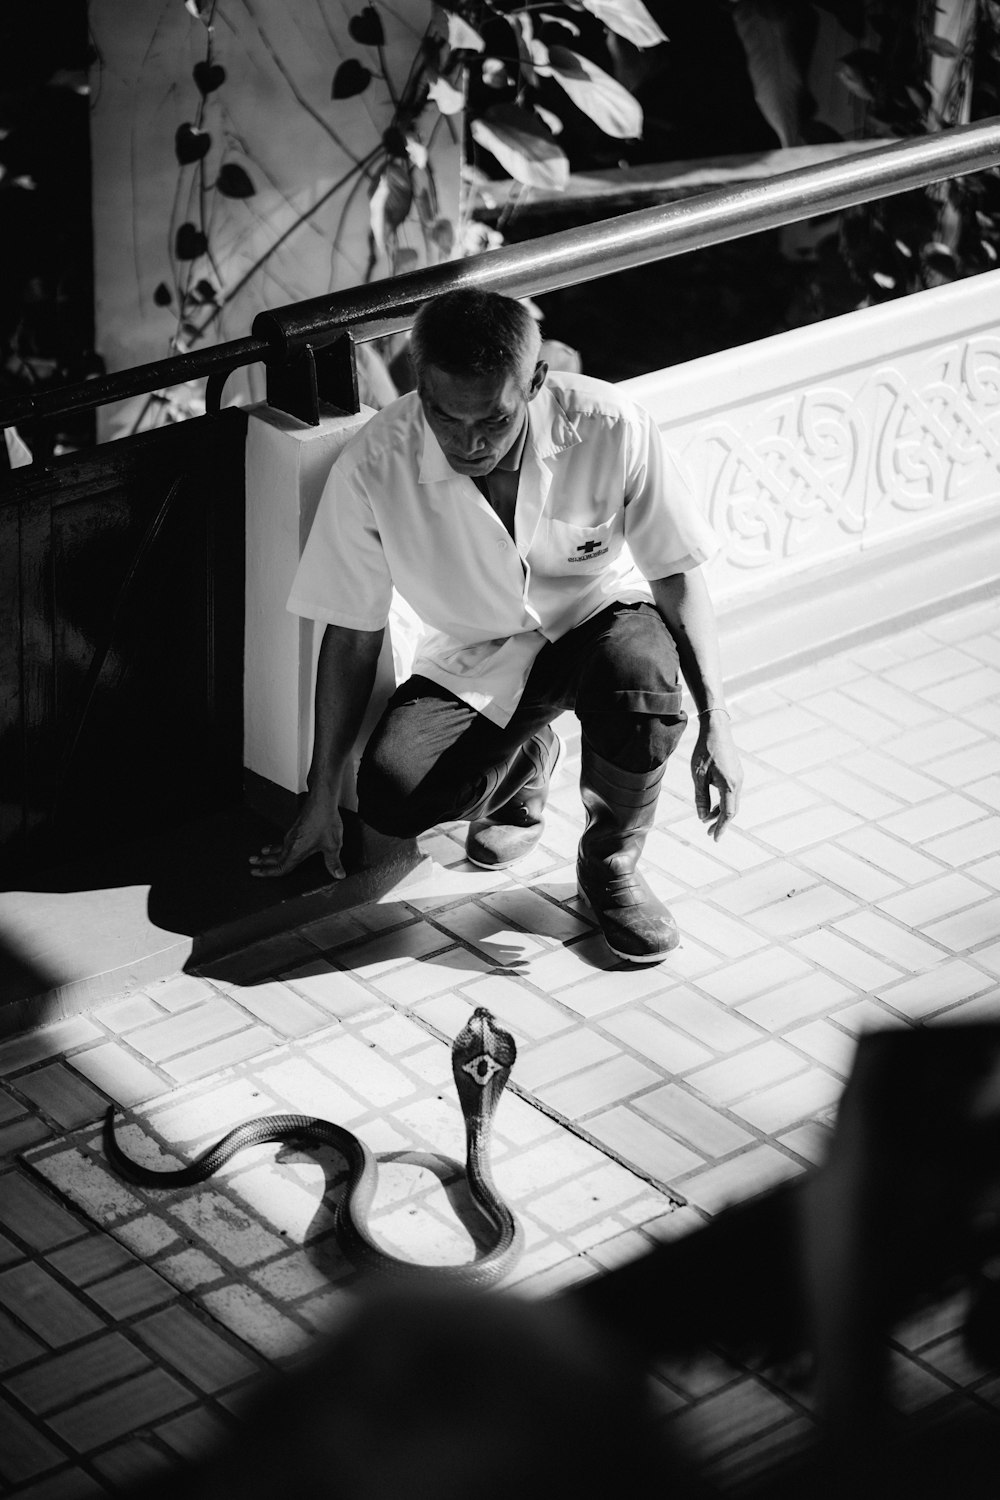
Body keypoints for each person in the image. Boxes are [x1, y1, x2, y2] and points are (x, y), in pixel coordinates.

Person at [251, 288, 742, 963]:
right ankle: (528, 761)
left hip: (601, 619)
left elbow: (677, 573)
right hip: (475, 652)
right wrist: (319, 796)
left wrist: (717, 717)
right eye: (444, 417)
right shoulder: (374, 465)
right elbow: (351, 630)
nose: (468, 442)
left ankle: (611, 862)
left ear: (535, 382)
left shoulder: (612, 424)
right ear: (419, 384)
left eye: (493, 419)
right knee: (392, 796)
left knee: (643, 686)